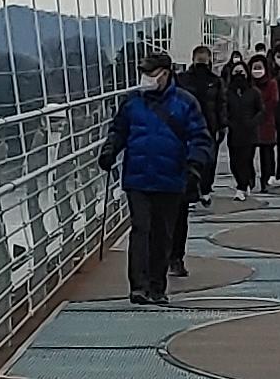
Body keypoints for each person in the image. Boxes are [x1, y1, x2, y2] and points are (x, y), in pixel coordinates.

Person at [98, 53, 212, 306]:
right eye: (144, 73)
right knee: (141, 229)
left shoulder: (185, 103)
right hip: (138, 178)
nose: (146, 78)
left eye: (151, 73)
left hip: (171, 178)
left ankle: (157, 287)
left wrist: (194, 166)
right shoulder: (132, 102)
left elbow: (200, 137)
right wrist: (109, 151)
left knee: (162, 234)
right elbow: (119, 130)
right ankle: (139, 287)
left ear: (165, 73)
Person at [171, 45, 223, 274]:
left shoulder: (214, 81)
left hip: (204, 131)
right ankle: (170, 259)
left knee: (205, 163)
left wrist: (222, 124)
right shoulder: (181, 83)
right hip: (183, 142)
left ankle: (175, 258)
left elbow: (221, 103)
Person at [223, 52, 262, 193]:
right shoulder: (227, 93)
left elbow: (261, 110)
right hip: (234, 132)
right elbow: (223, 109)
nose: (239, 75)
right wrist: (227, 122)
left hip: (249, 133)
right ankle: (243, 181)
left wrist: (253, 122)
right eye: (236, 72)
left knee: (246, 160)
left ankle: (243, 186)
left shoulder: (254, 92)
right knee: (234, 162)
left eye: (241, 72)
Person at [250, 49, 280, 190]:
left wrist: (259, 113)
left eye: (259, 67)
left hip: (266, 122)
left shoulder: (272, 83)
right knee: (246, 155)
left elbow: (273, 101)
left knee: (267, 154)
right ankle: (249, 180)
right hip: (250, 124)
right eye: (254, 68)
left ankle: (265, 180)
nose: (257, 71)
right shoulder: (248, 84)